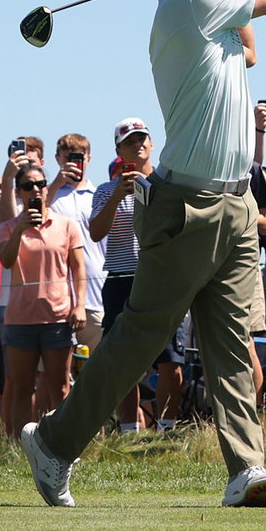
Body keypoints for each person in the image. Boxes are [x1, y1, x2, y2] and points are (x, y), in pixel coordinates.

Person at [23, 0, 266, 509]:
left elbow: (250, 50)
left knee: (229, 342)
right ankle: (54, 441)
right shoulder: (187, 4)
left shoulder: (211, 9)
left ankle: (246, 468)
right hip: (187, 203)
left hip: (236, 200)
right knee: (140, 337)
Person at [90, 118, 186, 433]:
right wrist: (118, 195)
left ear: (153, 143)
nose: (139, 145)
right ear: (119, 150)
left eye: (143, 139)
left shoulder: (169, 183)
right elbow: (95, 233)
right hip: (120, 280)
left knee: (171, 362)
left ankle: (167, 431)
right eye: (130, 141)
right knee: (122, 361)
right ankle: (129, 432)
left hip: (162, 280)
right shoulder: (105, 190)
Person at [0, 163, 86, 435]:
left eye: (40, 184)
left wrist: (79, 305)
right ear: (19, 193)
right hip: (21, 319)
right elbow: (6, 260)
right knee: (22, 387)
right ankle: (20, 447)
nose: (35, 190)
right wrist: (19, 230)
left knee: (59, 386)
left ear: (47, 188)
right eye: (28, 186)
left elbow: (78, 268)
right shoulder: (9, 227)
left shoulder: (66, 224)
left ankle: (62, 443)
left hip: (58, 317)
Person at [46, 134, 107, 352]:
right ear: (57, 159)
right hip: (58, 300)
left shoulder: (100, 194)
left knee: (100, 370)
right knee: (60, 377)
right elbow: (34, 218)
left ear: (89, 159)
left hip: (97, 296)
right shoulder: (49, 196)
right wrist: (55, 184)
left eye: (79, 158)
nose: (73, 164)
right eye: (67, 158)